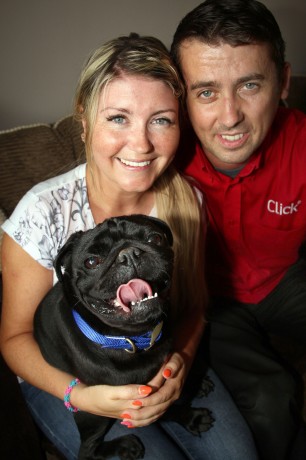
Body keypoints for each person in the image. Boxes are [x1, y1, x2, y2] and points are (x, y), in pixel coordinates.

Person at [0, 34, 258, 460]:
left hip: (157, 355)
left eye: (161, 120)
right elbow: (13, 338)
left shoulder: (185, 201)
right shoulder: (39, 215)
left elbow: (194, 304)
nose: (141, 144)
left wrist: (182, 364)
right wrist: (79, 396)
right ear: (83, 122)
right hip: (60, 375)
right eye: (118, 118)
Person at [170, 1, 306, 459]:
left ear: (282, 82)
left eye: (250, 85)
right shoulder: (158, 153)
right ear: (181, 96)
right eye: (206, 92)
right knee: (270, 401)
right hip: (211, 301)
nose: (230, 117)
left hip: (285, 281)